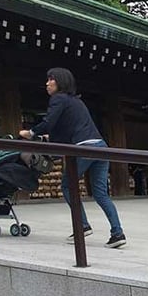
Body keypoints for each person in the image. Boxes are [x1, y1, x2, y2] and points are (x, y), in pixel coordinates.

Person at [19, 67, 126, 248]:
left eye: (50, 79)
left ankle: (82, 226)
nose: (47, 83)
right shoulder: (76, 102)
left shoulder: (58, 98)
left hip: (84, 148)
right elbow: (65, 129)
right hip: (100, 146)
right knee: (101, 193)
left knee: (68, 186)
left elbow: (49, 122)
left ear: (59, 82)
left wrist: (31, 132)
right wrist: (48, 137)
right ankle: (118, 233)